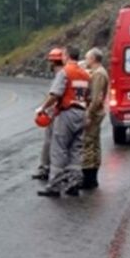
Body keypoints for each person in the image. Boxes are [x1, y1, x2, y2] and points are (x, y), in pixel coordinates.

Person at [37, 46, 91, 198]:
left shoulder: (65, 72)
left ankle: (54, 186)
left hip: (66, 113)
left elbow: (55, 94)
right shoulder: (86, 75)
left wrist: (43, 108)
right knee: (76, 149)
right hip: (81, 113)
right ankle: (73, 183)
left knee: (59, 148)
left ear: (66, 56)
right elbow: (90, 97)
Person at [32, 48, 66, 181]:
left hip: (57, 113)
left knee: (49, 141)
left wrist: (43, 108)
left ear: (52, 62)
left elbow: (54, 95)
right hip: (65, 113)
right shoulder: (66, 73)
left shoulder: (60, 75)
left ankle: (46, 168)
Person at [81, 48, 109, 190]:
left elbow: (96, 97)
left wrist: (88, 113)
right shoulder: (101, 72)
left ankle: (89, 178)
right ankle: (93, 178)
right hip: (97, 112)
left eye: (87, 58)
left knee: (88, 144)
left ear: (93, 59)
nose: (86, 61)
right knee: (95, 144)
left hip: (94, 113)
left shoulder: (98, 74)